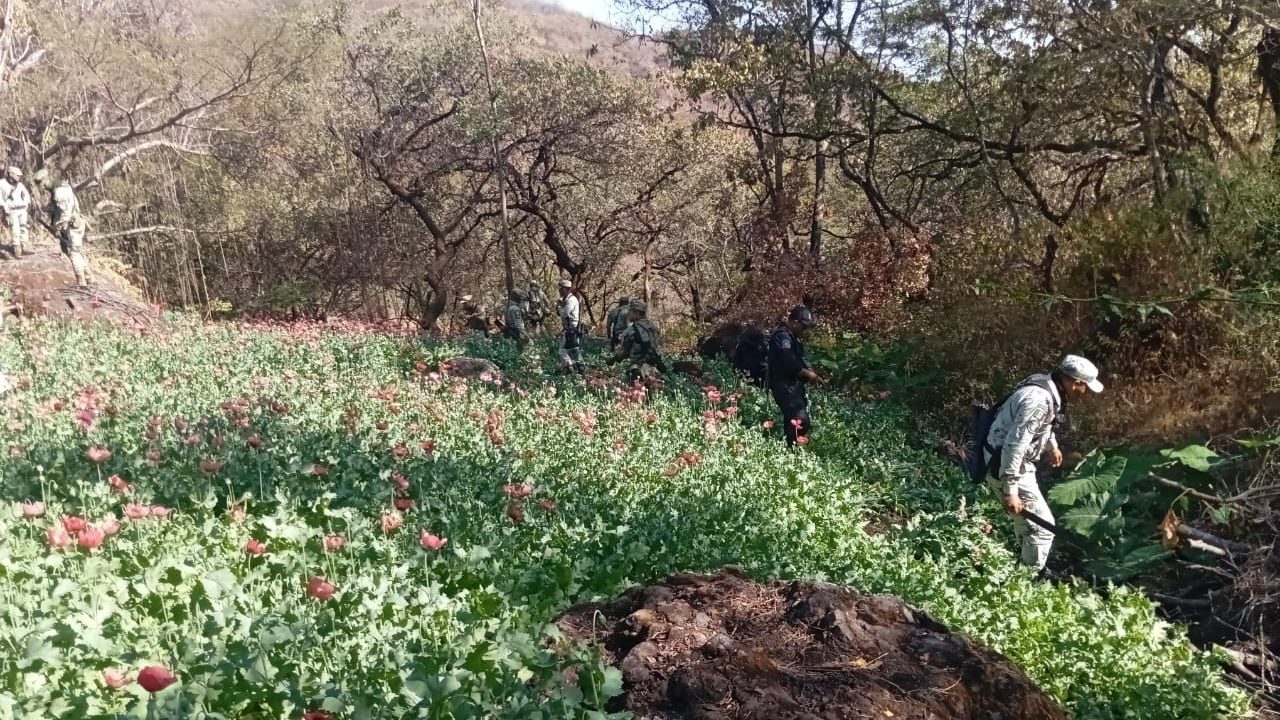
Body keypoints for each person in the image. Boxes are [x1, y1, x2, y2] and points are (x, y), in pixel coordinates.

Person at [984, 355, 1104, 575]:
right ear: (1075, 382)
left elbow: (1041, 426)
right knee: (1042, 529)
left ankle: (1020, 570)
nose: (1085, 393)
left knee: (1026, 525)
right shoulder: (1039, 400)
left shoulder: (1046, 386)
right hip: (1007, 465)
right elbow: (1015, 444)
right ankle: (1025, 582)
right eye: (1084, 387)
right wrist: (1010, 490)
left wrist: (1052, 446)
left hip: (1006, 459)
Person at [768, 306, 822, 446]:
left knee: (793, 420)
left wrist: (811, 371)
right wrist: (809, 375)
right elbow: (789, 363)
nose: (804, 330)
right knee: (800, 419)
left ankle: (790, 449)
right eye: (803, 326)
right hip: (783, 385)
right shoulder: (782, 337)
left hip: (794, 387)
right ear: (795, 322)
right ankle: (793, 448)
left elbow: (800, 360)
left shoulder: (794, 339)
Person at [609, 300, 664, 384]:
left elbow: (623, 353)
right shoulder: (655, 329)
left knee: (619, 386)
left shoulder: (631, 330)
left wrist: (613, 359)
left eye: (630, 311)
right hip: (654, 369)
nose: (628, 314)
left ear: (636, 313)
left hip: (637, 370)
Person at [49, 180, 90, 285]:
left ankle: (81, 281)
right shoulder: (67, 190)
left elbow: (65, 215)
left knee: (74, 253)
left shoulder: (60, 192)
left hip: (71, 227)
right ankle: (89, 277)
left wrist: (57, 228)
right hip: (75, 224)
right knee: (77, 251)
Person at [0, 167, 30, 257]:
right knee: (15, 229)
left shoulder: (20, 185)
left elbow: (26, 195)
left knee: (23, 228)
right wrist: (4, 206)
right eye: (17, 175)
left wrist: (26, 203)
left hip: (22, 209)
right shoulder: (1, 183)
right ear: (10, 174)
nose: (19, 177)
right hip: (11, 210)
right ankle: (17, 250)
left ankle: (24, 247)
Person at [556, 279, 584, 375]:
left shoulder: (571, 300)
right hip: (569, 329)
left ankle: (570, 367)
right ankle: (578, 368)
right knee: (574, 350)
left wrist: (559, 307)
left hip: (572, 330)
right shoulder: (567, 299)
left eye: (561, 288)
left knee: (563, 351)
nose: (559, 290)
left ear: (567, 289)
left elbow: (565, 313)